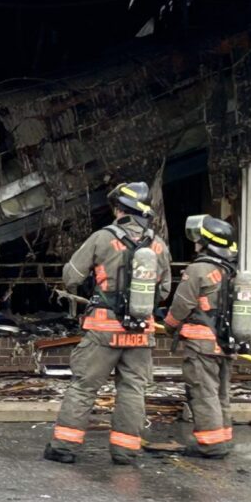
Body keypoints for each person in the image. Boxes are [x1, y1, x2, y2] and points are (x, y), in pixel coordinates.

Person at [46, 182, 171, 466]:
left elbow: (71, 277)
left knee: (84, 387)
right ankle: (125, 451)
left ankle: (65, 447)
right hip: (141, 332)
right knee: (132, 389)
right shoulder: (159, 245)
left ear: (119, 210)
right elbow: (163, 292)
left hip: (103, 330)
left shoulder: (102, 238)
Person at [164, 214, 240, 459]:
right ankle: (224, 439)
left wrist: (169, 325)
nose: (195, 243)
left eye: (198, 239)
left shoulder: (198, 269)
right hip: (225, 344)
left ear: (207, 243)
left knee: (203, 393)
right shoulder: (230, 270)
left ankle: (211, 444)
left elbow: (182, 304)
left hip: (202, 345)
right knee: (221, 394)